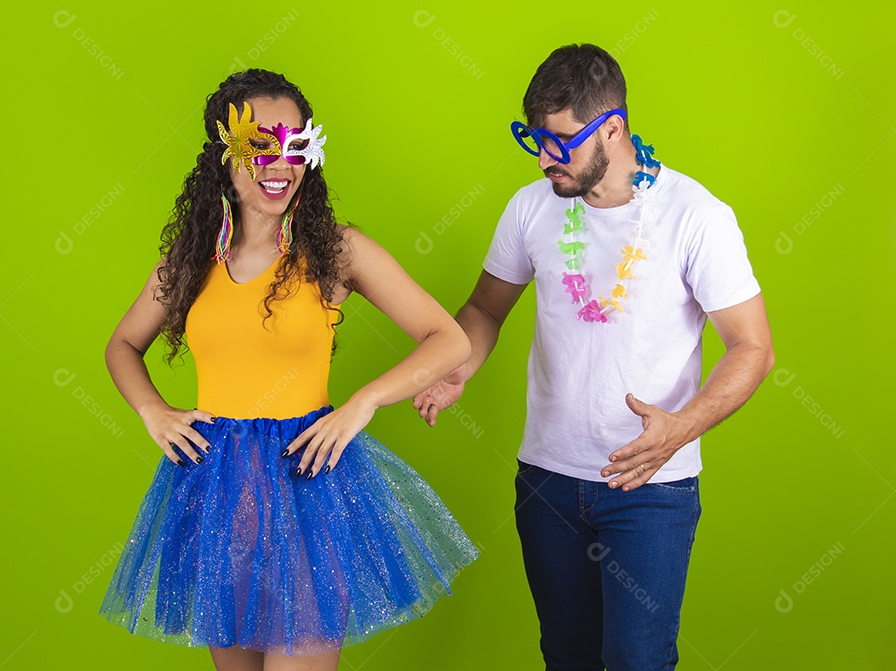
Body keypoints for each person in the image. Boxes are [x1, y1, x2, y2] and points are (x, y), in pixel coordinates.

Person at [98, 68, 478, 671]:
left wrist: (362, 403)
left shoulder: (335, 251)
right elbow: (122, 344)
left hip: (306, 484)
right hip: (214, 488)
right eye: (261, 146)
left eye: (296, 145)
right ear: (224, 158)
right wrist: (153, 410)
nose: (281, 163)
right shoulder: (192, 259)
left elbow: (449, 340)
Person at [414, 43, 774, 670]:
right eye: (534, 140)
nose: (545, 157)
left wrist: (680, 429)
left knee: (638, 660)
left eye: (558, 141)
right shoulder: (532, 206)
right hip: (547, 482)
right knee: (567, 657)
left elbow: (753, 347)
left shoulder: (696, 216)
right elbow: (484, 310)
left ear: (612, 128)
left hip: (649, 488)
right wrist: (456, 368)